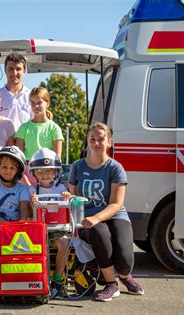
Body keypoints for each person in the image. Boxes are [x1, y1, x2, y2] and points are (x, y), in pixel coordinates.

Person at [68, 122, 144, 302]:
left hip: (113, 215)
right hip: (88, 221)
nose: (96, 143)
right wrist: (78, 220)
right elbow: (73, 198)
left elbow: (116, 204)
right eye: (92, 139)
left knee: (126, 261)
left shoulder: (115, 168)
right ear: (87, 141)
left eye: (101, 139)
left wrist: (97, 217)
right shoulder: (77, 167)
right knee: (100, 234)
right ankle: (111, 283)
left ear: (109, 142)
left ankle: (125, 277)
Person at [28, 148, 70, 299]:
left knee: (64, 243)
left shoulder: (60, 188)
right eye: (40, 171)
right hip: (39, 230)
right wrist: (30, 203)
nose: (44, 175)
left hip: (57, 229)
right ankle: (43, 280)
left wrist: (67, 196)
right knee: (41, 247)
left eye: (49, 171)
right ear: (33, 173)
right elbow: (28, 213)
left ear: (56, 172)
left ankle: (58, 281)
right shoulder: (32, 189)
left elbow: (68, 206)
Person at [15, 87, 63, 185]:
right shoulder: (23, 128)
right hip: (27, 173)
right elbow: (18, 157)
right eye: (32, 103)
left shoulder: (54, 128)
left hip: (47, 172)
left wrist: (49, 176)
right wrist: (24, 177)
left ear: (47, 104)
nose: (36, 106)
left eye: (39, 102)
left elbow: (57, 158)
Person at [0, 146, 30, 230]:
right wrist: (5, 224)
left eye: (12, 168)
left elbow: (24, 209)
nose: (8, 171)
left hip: (17, 227)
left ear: (18, 171)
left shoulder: (22, 189)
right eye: (4, 167)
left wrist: (20, 223)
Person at [0, 53, 32, 131]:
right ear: (5, 70)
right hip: (2, 143)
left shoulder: (31, 96)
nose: (14, 73)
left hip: (26, 143)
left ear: (24, 71)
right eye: (11, 68)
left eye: (18, 69)